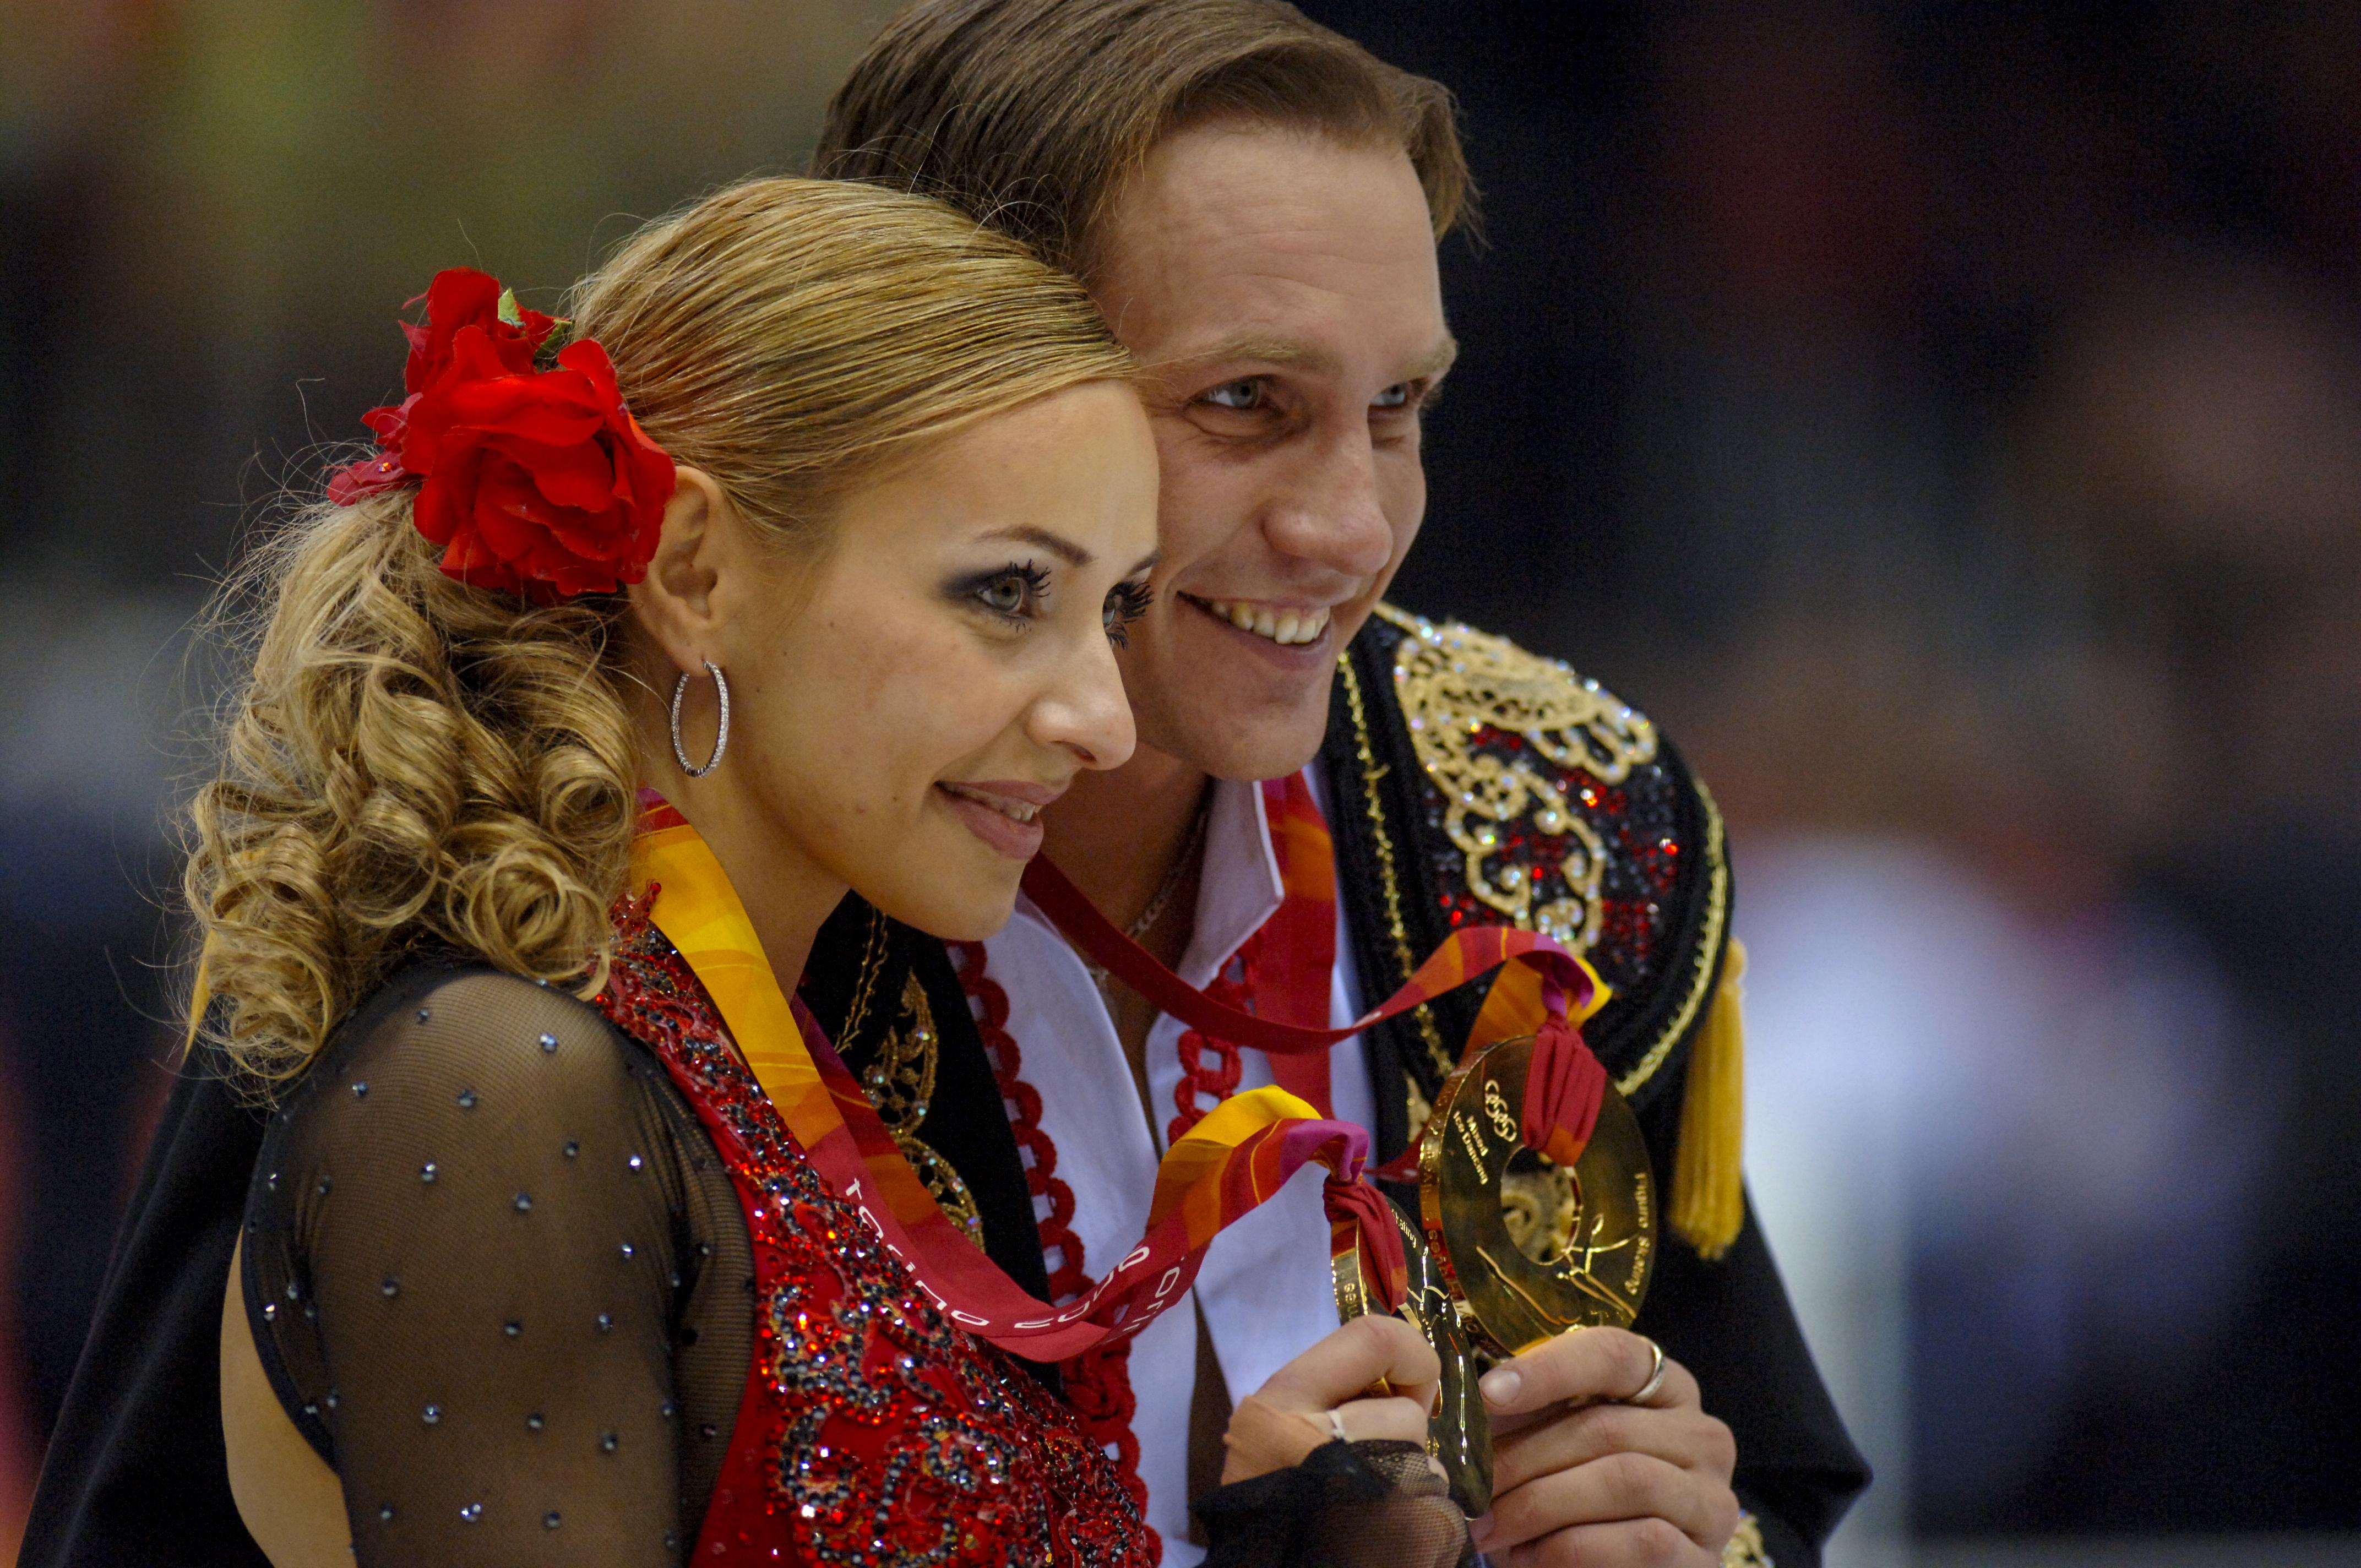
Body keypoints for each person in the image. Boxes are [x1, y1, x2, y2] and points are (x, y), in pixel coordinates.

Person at [34, 176, 1476, 1567]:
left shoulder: (783, 1039)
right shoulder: (501, 1078)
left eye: (1112, 608)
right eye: (1006, 595)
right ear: (698, 571)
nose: (1099, 719)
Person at [796, 2, 1871, 1565]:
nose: (1353, 530)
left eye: (1399, 408)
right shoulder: (680, 878)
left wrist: (1671, 1538)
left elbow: (1764, 1482)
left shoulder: (1547, 821)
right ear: (933, 384)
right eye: (1245, 404)